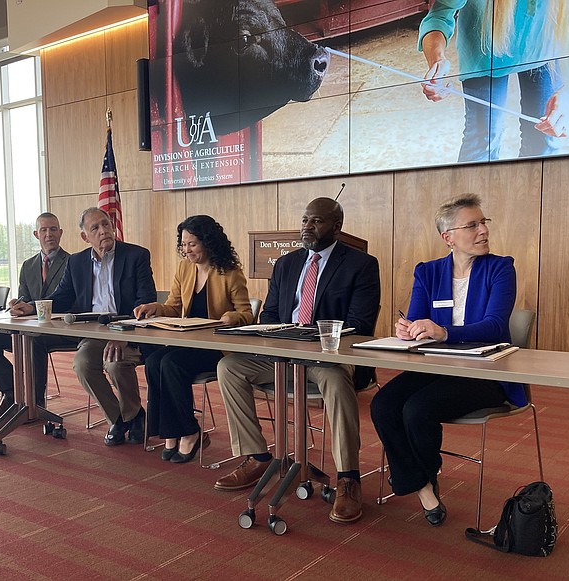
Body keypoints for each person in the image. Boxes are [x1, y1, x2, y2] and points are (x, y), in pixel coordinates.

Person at [215, 197, 380, 524]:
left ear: (337, 226)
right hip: (283, 355)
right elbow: (270, 314)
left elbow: (359, 325)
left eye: (316, 221)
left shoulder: (361, 264)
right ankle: (258, 456)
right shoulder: (287, 264)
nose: (307, 227)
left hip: (327, 360)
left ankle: (348, 478)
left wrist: (313, 339)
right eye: (304, 220)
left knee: (334, 380)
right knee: (229, 366)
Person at [370, 193, 526, 527]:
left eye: (484, 222)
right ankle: (423, 482)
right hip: (436, 367)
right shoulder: (427, 272)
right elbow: (417, 321)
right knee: (383, 404)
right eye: (473, 225)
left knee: (417, 410)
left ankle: (417, 482)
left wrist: (442, 331)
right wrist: (409, 329)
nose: (483, 230)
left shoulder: (500, 268)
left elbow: (496, 326)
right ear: (448, 237)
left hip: (485, 373)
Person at [10, 207, 157, 446]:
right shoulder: (77, 262)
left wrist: (125, 334)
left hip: (129, 329)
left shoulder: (136, 256)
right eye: (95, 228)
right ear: (84, 237)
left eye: (106, 224)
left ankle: (130, 416)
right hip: (94, 331)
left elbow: (146, 301)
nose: (103, 231)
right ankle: (123, 419)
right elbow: (62, 298)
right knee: (82, 364)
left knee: (115, 362)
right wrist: (30, 307)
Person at [419, 0, 569, 161]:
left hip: (545, 42)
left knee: (545, 141)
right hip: (484, 45)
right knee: (483, 140)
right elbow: (440, 13)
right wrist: (437, 59)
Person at [134, 215, 253, 463]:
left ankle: (189, 431)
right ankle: (171, 432)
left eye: (192, 244)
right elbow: (174, 307)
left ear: (208, 243)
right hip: (188, 342)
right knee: (154, 361)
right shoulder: (185, 268)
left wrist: (230, 317)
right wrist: (155, 308)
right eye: (184, 244)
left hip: (217, 347)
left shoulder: (230, 273)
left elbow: (246, 314)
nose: (186, 250)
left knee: (170, 364)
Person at [0, 212, 71, 420]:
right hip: (31, 327)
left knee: (33, 340)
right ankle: (10, 394)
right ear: (36, 234)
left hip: (61, 328)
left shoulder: (72, 263)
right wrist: (18, 304)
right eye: (44, 230)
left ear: (61, 233)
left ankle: (35, 404)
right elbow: (26, 296)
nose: (49, 234)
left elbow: (70, 299)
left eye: (53, 229)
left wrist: (33, 308)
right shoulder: (28, 265)